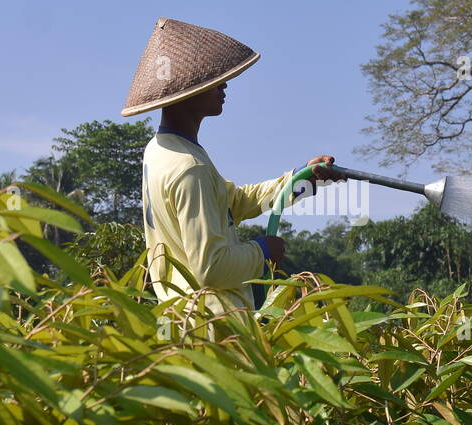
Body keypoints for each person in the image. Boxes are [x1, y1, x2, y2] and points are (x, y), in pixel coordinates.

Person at [121, 17, 341, 321]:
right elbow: (212, 268)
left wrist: (302, 178)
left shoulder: (161, 150)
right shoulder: (190, 168)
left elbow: (233, 202)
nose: (224, 84)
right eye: (212, 79)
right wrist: (262, 251)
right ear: (188, 91)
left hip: (179, 322)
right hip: (213, 329)